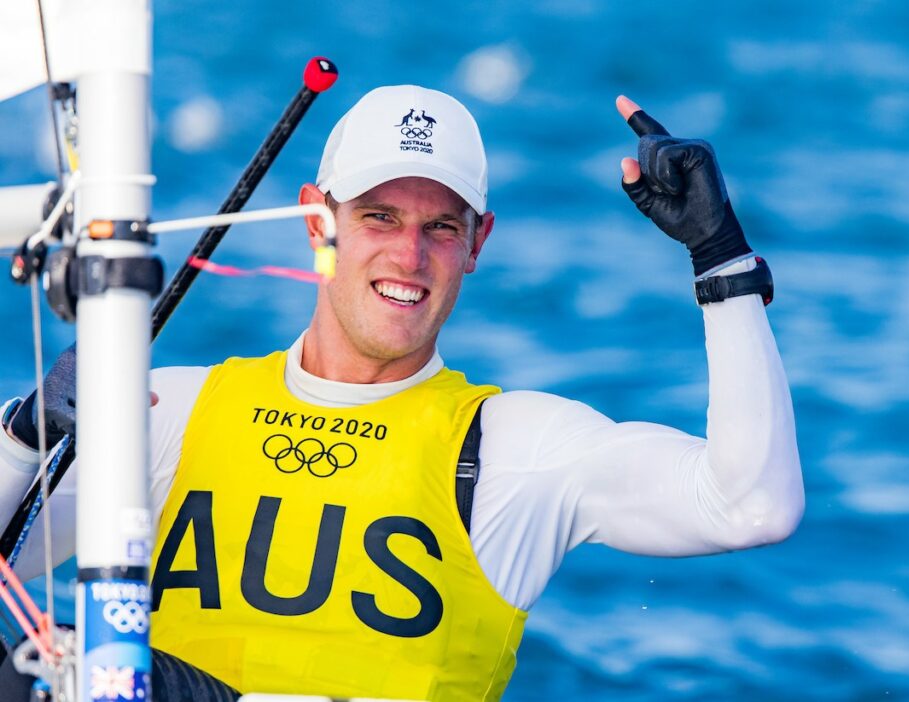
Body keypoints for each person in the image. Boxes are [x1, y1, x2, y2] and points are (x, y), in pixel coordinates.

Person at [0, 85, 803, 701]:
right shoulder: (171, 411)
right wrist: (23, 436)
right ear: (318, 222)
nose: (410, 255)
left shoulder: (514, 450)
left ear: (477, 243)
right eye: (380, 217)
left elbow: (751, 506)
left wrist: (721, 260)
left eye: (442, 227)